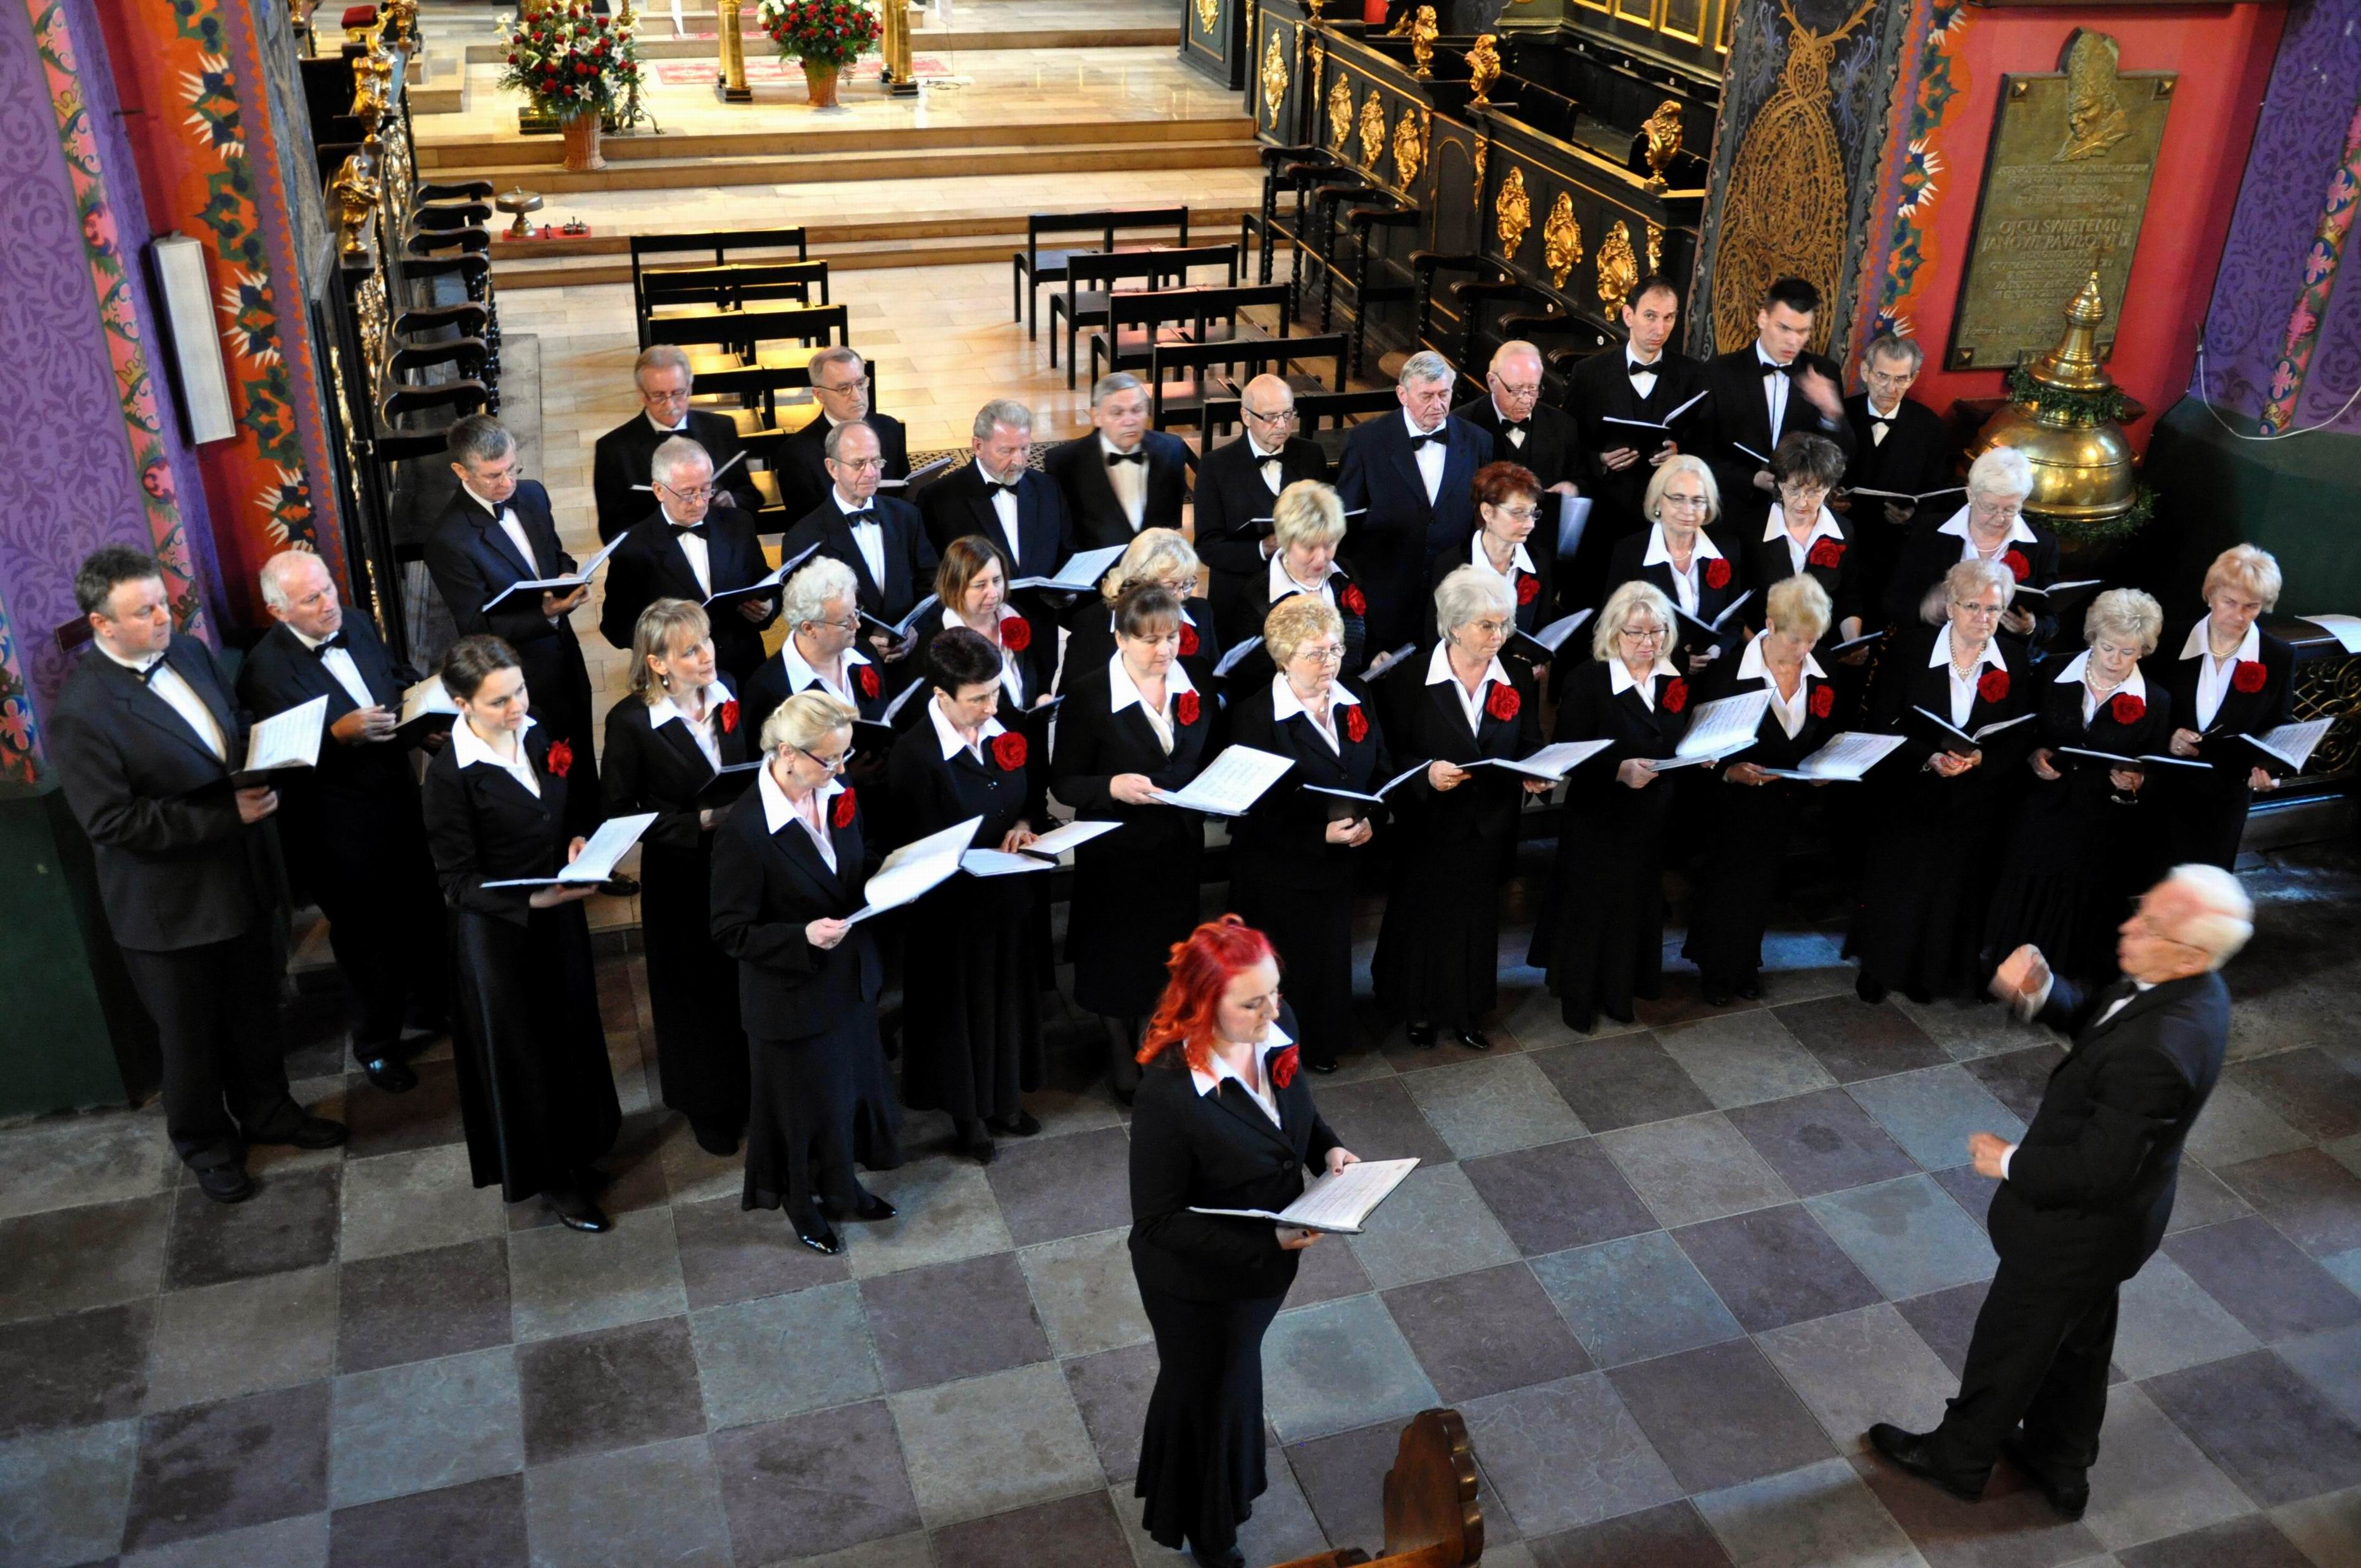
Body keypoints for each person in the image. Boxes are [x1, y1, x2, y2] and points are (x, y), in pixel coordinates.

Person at [1871, 866, 2250, 1522]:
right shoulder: (2189, 989)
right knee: (2077, 1345)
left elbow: (2100, 1168)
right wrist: (2043, 993)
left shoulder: (2161, 1048)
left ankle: (1956, 1460)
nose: (2128, 928)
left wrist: (2008, 1161)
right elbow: (2106, 1031)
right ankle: (2059, 1461)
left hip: (2074, 1231)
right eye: (2140, 908)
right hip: (2114, 1233)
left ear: (2190, 953)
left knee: (2010, 1345)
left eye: (2150, 925)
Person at [49, 547, 342, 1204]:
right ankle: (207, 1145)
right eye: (143, 611)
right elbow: (113, 823)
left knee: (254, 1012)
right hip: (169, 909)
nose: (163, 617)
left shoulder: (188, 653)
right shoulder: (82, 711)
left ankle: (269, 1112)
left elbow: (229, 726)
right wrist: (225, 816)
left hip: (239, 878)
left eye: (162, 602)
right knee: (190, 1040)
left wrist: (268, 752)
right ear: (101, 625)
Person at [1128, 917, 1357, 1568]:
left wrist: (1327, 1148)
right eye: (1252, 1002)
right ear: (1204, 1004)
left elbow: (1294, 1114)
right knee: (1207, 1392)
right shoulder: (1168, 1095)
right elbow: (1156, 1223)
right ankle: (1206, 1528)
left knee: (1227, 1383)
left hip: (1260, 1269)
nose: (1272, 1012)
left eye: (1274, 993)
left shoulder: (1274, 1029)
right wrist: (1271, 1241)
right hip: (1196, 1283)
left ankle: (1211, 1496)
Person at [420, 635, 620, 1232]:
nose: (517, 708)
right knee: (526, 1055)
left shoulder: (535, 732)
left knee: (572, 1029)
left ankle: (582, 1148)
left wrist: (577, 838)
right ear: (462, 705)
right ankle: (550, 1175)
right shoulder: (449, 777)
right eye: (499, 701)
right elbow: (456, 882)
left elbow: (564, 804)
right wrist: (532, 897)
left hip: (557, 915)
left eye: (520, 691)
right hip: (500, 936)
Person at [238, 550, 445, 1094]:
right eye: (312, 599)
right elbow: (278, 759)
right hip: (336, 828)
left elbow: (394, 676)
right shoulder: (263, 671)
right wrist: (337, 736)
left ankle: (430, 1007)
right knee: (366, 940)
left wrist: (419, 719)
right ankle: (377, 1047)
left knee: (423, 911)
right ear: (279, 610)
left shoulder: (355, 621)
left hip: (398, 800)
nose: (329, 603)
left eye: (328, 588)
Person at [710, 692, 904, 1256]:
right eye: (831, 758)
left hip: (847, 979)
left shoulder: (834, 792)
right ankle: (801, 1203)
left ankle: (843, 1189)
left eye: (845, 756)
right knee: (801, 1111)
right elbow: (729, 931)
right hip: (791, 995)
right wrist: (800, 937)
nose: (841, 770)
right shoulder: (746, 829)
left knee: (844, 1095)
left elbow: (854, 863)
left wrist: (896, 875)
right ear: (789, 754)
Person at [1051, 583, 1220, 1099]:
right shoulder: (1089, 694)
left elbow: (1206, 752)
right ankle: (1117, 1043)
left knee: (1166, 948)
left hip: (1176, 843)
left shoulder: (1196, 682)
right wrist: (1111, 787)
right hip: (1116, 849)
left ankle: (1156, 1032)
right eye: (1150, 640)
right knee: (1115, 952)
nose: (1164, 650)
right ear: (1121, 639)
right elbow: (1064, 782)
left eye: (1171, 637)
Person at [888, 627, 1049, 1164]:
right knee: (962, 1014)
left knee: (1005, 1003)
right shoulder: (915, 754)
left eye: (995, 693)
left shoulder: (1006, 728)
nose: (991, 708)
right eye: (977, 699)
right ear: (941, 695)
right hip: (951, 914)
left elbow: (1029, 798)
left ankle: (1004, 1098)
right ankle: (968, 1114)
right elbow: (911, 845)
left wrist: (1023, 826)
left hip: (1007, 896)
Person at [1848, 559, 2040, 1004]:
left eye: (1994, 609)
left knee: (1950, 890)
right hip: (1909, 790)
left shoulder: (2012, 659)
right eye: (1973, 606)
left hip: (1974, 797)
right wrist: (1929, 756)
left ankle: (1927, 974)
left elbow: (2020, 733)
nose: (1983, 618)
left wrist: (1982, 759)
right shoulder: (1911, 649)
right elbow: (1882, 720)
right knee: (1899, 884)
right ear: (1950, 607)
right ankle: (1880, 967)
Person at [601, 599, 751, 1156]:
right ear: (658, 663)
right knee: (693, 993)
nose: (707, 655)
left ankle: (751, 1088)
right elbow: (618, 812)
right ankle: (707, 1105)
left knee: (740, 980)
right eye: (690, 651)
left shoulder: (727, 689)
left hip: (738, 865)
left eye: (706, 641)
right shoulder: (631, 722)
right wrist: (698, 822)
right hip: (681, 876)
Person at [1378, 568, 1547, 1047]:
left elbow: (1529, 741)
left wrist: (1536, 772)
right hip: (1428, 824)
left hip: (1489, 823)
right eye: (1486, 626)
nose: (1499, 636)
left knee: (1476, 921)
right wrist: (1426, 774)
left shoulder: (1515, 675)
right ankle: (1417, 1009)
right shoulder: (1410, 678)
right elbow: (1389, 754)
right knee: (1422, 917)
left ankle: (1467, 1009)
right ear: (1454, 627)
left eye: (1504, 624)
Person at [1224, 595, 1392, 1072]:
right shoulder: (1255, 716)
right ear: (1283, 657)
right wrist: (1319, 836)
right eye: (1315, 653)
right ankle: (1278, 1048)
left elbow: (1381, 770)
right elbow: (1250, 812)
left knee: (1328, 958)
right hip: (1278, 870)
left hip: (1338, 864)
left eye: (1335, 649)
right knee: (1284, 964)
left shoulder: (1355, 695)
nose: (1330, 662)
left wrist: (1372, 820)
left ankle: (1321, 1043)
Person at [1982, 591, 2174, 993]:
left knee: (2079, 903)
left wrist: (2137, 782)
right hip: (2041, 808)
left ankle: (2059, 985)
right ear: (2092, 637)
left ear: (2144, 650)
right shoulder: (2052, 671)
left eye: (2128, 652)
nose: (2115, 659)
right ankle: (2011, 974)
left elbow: (2157, 769)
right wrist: (2034, 754)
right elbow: (2023, 731)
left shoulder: (2156, 700)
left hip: (2098, 823)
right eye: (2107, 647)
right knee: (2027, 890)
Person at [1529, 580, 1690, 1031]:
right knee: (1591, 908)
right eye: (1635, 633)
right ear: (1614, 632)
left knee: (1633, 906)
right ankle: (1578, 997)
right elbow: (1568, 752)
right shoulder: (1587, 679)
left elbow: (1673, 735)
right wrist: (1618, 770)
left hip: (1650, 815)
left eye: (1656, 631)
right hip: (1599, 815)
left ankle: (1620, 992)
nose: (1647, 642)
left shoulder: (1672, 675)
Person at [425, 414, 601, 803]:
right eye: (493, 476)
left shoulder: (533, 495)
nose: (507, 483)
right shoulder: (449, 539)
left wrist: (568, 574)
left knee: (583, 761)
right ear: (461, 471)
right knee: (547, 776)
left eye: (512, 469)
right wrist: (548, 614)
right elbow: (475, 625)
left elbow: (554, 554)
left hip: (565, 657)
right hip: (518, 678)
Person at [2146, 544, 2295, 871]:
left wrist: (2271, 770)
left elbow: (2278, 724)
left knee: (2207, 890)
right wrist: (2169, 736)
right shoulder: (2169, 641)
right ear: (2211, 594)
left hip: (2225, 799)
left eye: (2251, 606)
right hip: (2163, 792)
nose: (2239, 616)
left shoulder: (2278, 656)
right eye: (2230, 602)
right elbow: (2145, 709)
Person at [1336, 351, 1495, 656]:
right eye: (1427, 396)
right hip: (1385, 589)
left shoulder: (1478, 441)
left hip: (1449, 593)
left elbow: (1481, 518)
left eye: (1444, 394)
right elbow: (1346, 518)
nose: (1438, 405)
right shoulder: (1366, 440)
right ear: (1403, 395)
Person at [1567, 276, 1709, 610]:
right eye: (1650, 316)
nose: (1660, 328)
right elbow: (1568, 443)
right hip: (1603, 520)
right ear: (1628, 315)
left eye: (1669, 317)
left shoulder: (1693, 375)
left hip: (1662, 523)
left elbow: (1706, 445)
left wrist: (1679, 456)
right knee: (1595, 608)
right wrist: (1600, 460)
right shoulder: (1589, 373)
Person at [597, 436, 779, 687]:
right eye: (687, 493)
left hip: (743, 671)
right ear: (659, 490)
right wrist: (668, 643)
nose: (700, 502)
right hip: (677, 682)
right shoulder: (631, 547)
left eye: (706, 489)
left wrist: (769, 607)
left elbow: (764, 582)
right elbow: (616, 627)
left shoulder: (739, 524)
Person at [779, 419, 938, 690]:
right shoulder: (803, 538)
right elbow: (806, 620)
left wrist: (915, 631)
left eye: (876, 461)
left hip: (914, 664)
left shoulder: (906, 516)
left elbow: (933, 583)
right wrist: (861, 643)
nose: (871, 473)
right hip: (847, 673)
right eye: (858, 464)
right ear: (832, 468)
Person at [1701, 275, 1855, 538]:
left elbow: (1843, 455)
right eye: (1784, 328)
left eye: (1803, 331)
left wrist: (1832, 413)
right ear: (1763, 319)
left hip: (1796, 521)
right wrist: (1751, 479)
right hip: (1732, 514)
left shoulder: (1823, 372)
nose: (1793, 341)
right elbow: (1700, 452)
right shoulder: (1719, 372)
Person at [1195, 375, 1331, 647]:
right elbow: (1207, 547)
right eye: (1270, 417)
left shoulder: (1311, 455)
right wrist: (1263, 548)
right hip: (1240, 597)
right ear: (1246, 416)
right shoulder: (1215, 466)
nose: (1282, 425)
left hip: (1300, 595)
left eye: (1288, 414)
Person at [1883, 447, 2059, 642]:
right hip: (1930, 644)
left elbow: (2050, 620)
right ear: (1970, 495)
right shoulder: (1930, 530)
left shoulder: (2042, 546)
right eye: (1990, 508)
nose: (2000, 518)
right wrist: (1923, 609)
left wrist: (2030, 628)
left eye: (2011, 509)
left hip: (2001, 651)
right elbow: (1893, 599)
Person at [589, 345, 757, 542]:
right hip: (655, 555)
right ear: (642, 395)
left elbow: (750, 494)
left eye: (678, 393)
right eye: (659, 396)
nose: (670, 405)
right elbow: (612, 529)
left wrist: (734, 502)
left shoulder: (721, 428)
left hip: (721, 544)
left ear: (690, 388)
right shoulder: (614, 450)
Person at [1841, 333, 1952, 609]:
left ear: (1913, 378)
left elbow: (1939, 492)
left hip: (1895, 551)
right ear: (1865, 372)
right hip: (1841, 542)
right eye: (1882, 376)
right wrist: (1829, 500)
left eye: (1901, 379)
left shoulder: (1929, 427)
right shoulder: (1839, 415)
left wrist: (1911, 516)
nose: (1891, 388)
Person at [1603, 454, 1741, 675]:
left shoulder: (1727, 549)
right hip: (1651, 675)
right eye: (1678, 499)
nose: (1688, 510)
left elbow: (1734, 620)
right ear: (1658, 501)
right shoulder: (1630, 553)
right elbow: (1614, 626)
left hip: (1713, 674)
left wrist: (1717, 650)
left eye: (1698, 500)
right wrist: (1674, 658)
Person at [918, 399, 1072, 578]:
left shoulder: (1047, 488)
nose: (1019, 461)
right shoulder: (937, 500)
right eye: (1007, 451)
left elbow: (1067, 554)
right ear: (978, 447)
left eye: (1024, 449)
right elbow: (932, 575)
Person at [742, 556, 887, 747]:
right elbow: (766, 759)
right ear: (809, 628)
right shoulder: (767, 688)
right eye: (845, 621)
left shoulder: (865, 653)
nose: (857, 625)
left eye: (856, 612)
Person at [1059, 528, 1224, 695]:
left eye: (1186, 584)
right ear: (1140, 581)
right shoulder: (1090, 621)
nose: (1181, 596)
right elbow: (1070, 695)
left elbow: (1218, 681)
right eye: (1172, 586)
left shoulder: (1200, 612)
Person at [1744, 432, 1867, 656]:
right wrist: (1759, 652)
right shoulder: (1751, 529)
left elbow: (1848, 598)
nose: (1803, 502)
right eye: (1794, 490)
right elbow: (1737, 604)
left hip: (1818, 651)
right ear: (1779, 484)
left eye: (1814, 492)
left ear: (1828, 488)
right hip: (1759, 648)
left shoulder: (1843, 531)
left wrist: (1852, 643)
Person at [1043, 373, 1190, 547]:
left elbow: (1173, 523)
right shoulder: (1064, 462)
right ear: (1097, 416)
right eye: (1117, 413)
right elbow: (1060, 536)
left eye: (1137, 410)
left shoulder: (1171, 450)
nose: (1130, 421)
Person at [925, 535, 1059, 725]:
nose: (994, 593)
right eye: (980, 585)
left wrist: (1042, 696)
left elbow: (1036, 671)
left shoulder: (1016, 615)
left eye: (997, 580)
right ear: (955, 587)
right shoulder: (937, 643)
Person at [1437, 462, 1555, 670]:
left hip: (1517, 677)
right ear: (1487, 512)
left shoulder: (1540, 563)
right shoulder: (1450, 564)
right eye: (1518, 513)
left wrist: (1532, 663)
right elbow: (1437, 635)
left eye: (1532, 513)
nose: (1530, 524)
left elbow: (1541, 629)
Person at [775, 346, 912, 521]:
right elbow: (805, 525)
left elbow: (906, 493)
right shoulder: (797, 454)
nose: (857, 396)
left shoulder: (889, 428)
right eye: (843, 389)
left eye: (860, 384)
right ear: (819, 395)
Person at [1453, 340, 1583, 497]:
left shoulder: (1563, 425)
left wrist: (1572, 488)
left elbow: (1582, 480)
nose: (1526, 400)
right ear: (1492, 382)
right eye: (1516, 390)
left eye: (1533, 389)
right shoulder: (1460, 425)